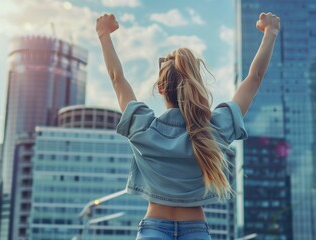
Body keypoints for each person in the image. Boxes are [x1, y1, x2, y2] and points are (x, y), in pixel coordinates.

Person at [96, 11, 280, 240]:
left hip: (153, 230)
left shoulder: (143, 127)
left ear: (160, 89)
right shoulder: (213, 131)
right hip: (196, 232)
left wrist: (104, 34)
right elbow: (254, 78)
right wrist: (270, 33)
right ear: (197, 86)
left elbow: (117, 78)